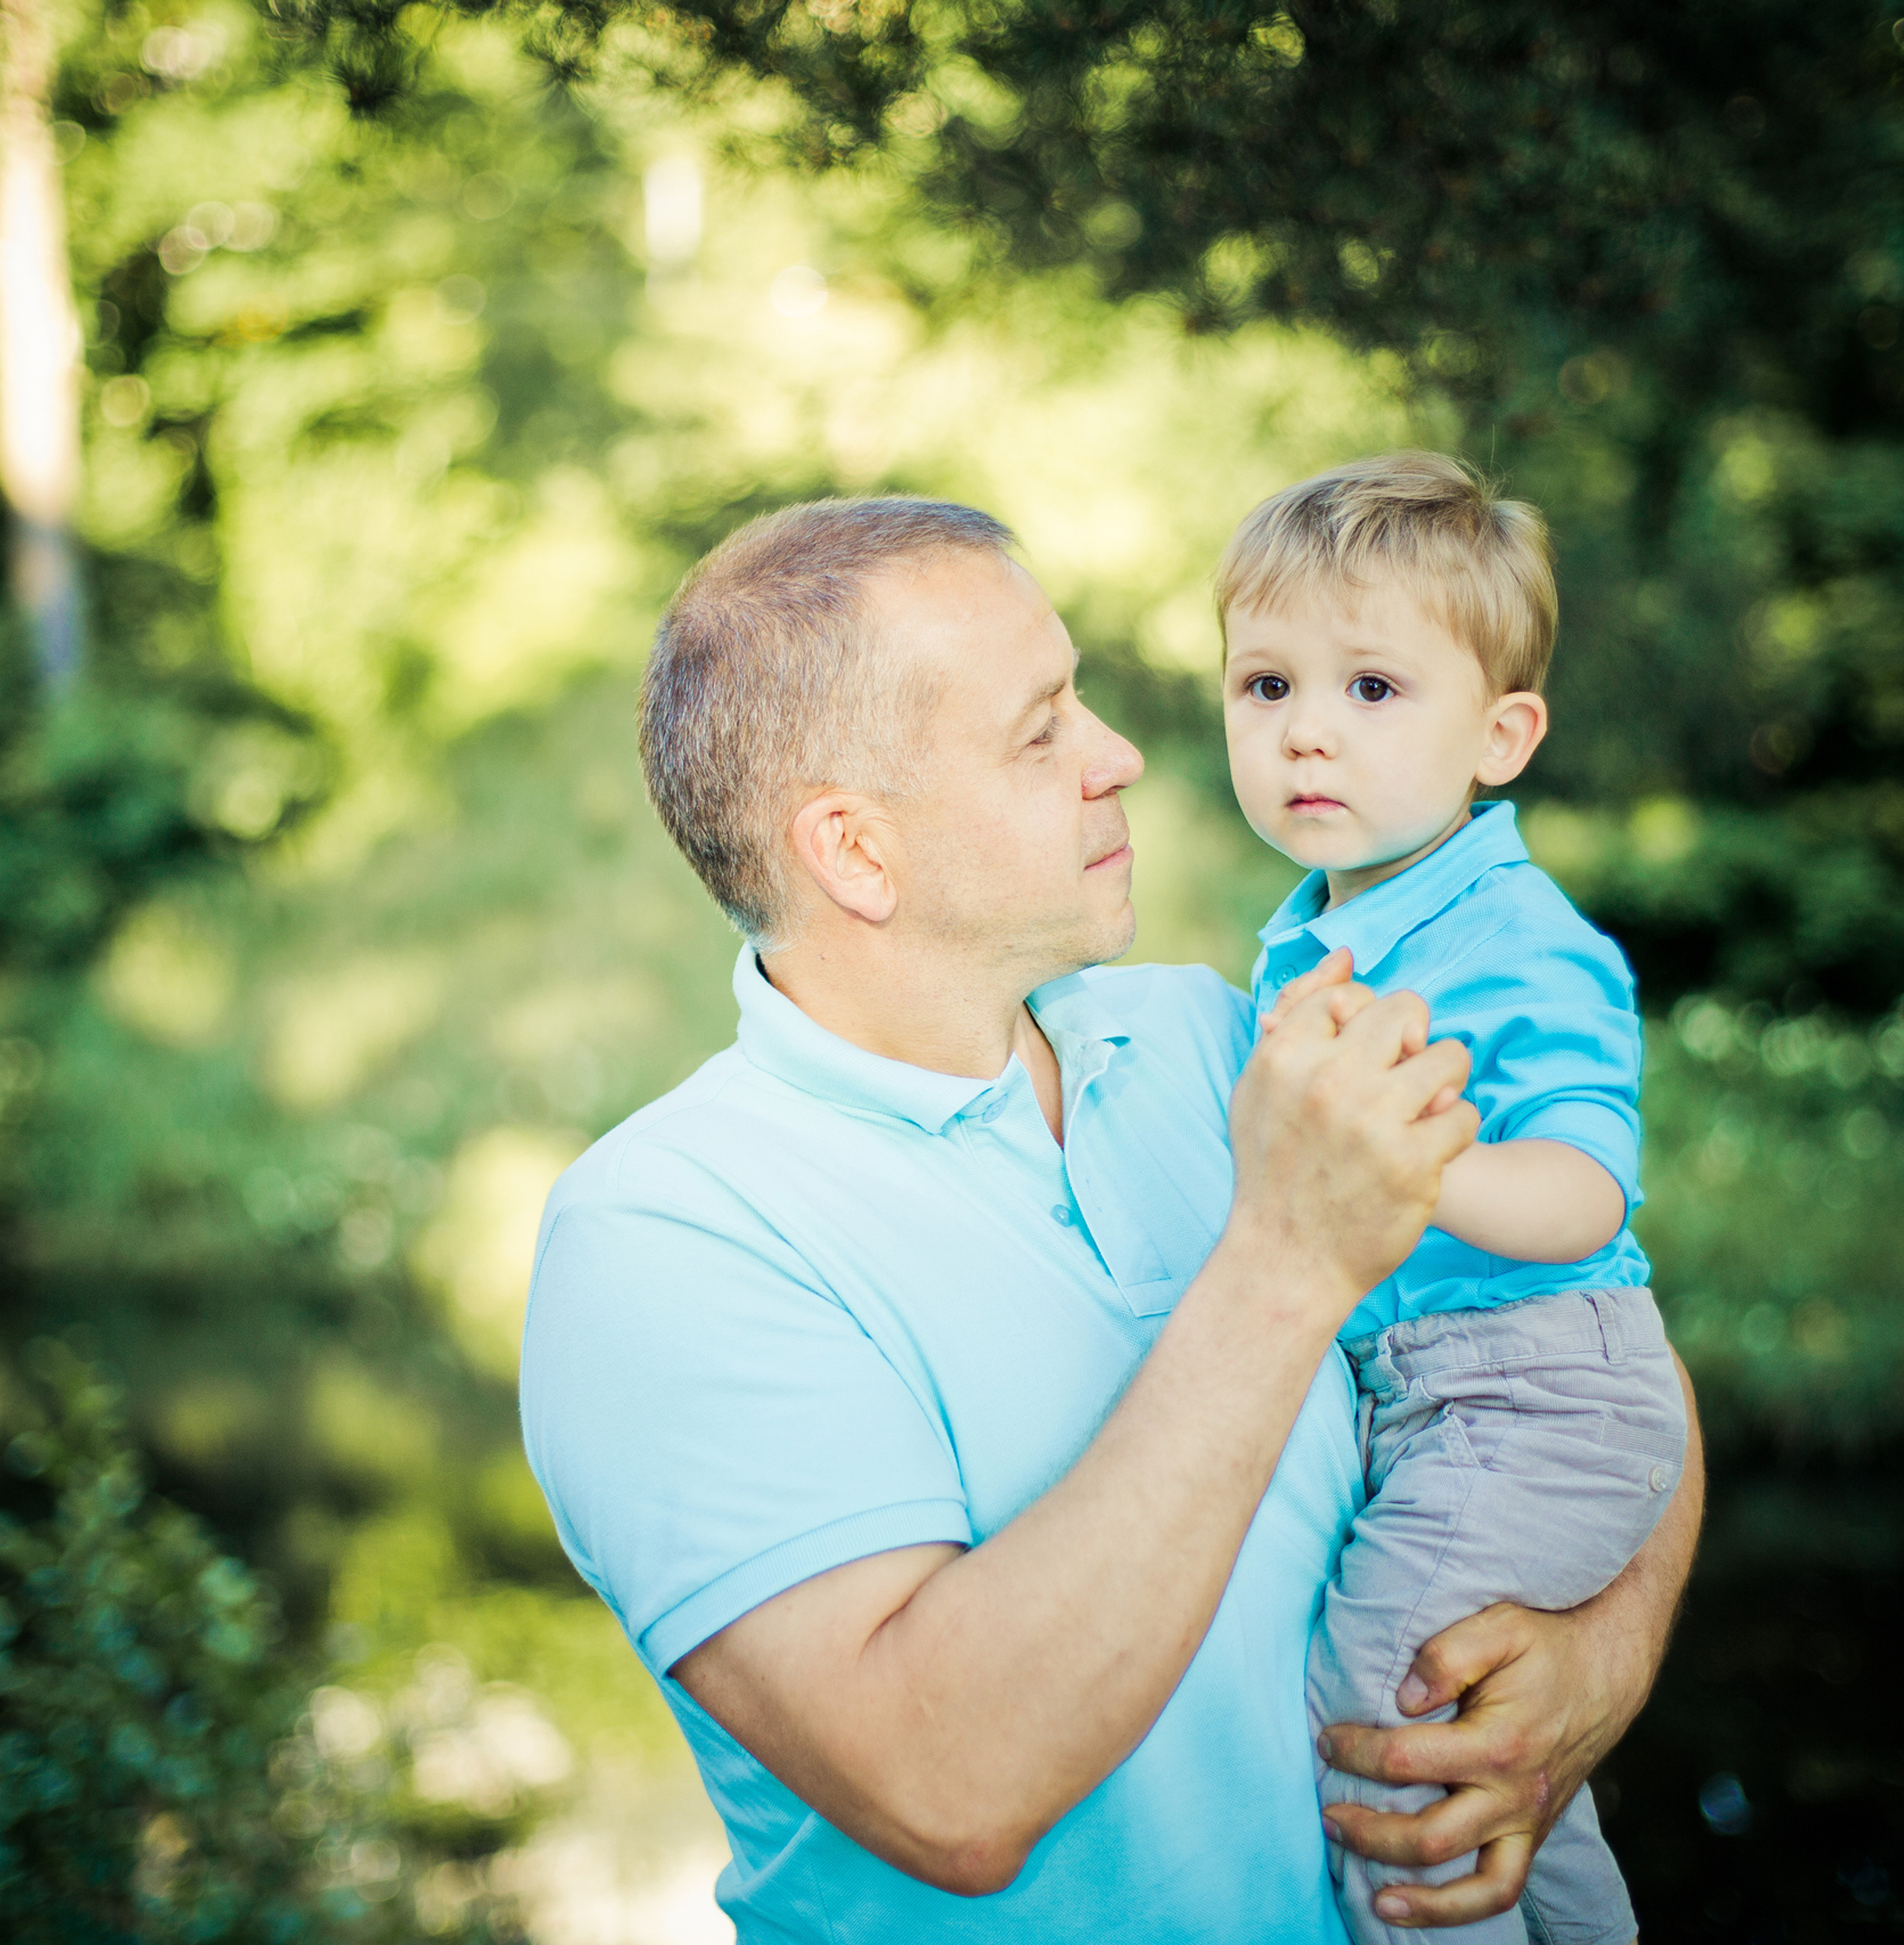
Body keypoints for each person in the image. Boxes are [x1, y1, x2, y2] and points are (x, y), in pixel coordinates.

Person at [519, 497, 1703, 1944]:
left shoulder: (1225, 1043)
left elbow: (1589, 1347)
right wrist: (1287, 1260)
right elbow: (947, 1787)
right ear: (856, 853)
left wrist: (1603, 1655)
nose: (1121, 757)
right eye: (1042, 730)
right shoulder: (665, 1243)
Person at [1219, 451, 1688, 1945]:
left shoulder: (1513, 938)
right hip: (1444, 1391)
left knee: (1383, 1693)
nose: (1303, 730)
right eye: (1262, 685)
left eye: (1368, 690)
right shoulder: (1311, 935)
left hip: (1535, 1376)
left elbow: (1580, 1191)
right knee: (1502, 1737)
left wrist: (1403, 1159)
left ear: (1500, 735)